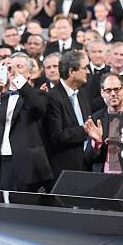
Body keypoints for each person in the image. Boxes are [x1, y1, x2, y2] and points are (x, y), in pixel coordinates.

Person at [0, 52, 52, 191]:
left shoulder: (38, 94)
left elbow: (37, 106)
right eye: (11, 67)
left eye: (20, 66)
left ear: (30, 73)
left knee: (22, 209)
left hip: (25, 165)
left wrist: (17, 77)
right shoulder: (1, 97)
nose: (13, 70)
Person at [44, 50, 92, 181]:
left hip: (85, 165)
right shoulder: (52, 97)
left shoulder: (82, 94)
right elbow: (56, 136)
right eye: (84, 68)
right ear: (71, 72)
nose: (87, 71)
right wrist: (85, 130)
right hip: (64, 169)